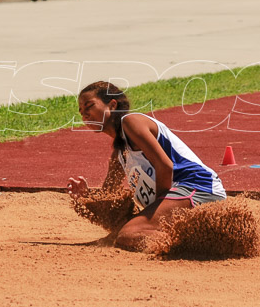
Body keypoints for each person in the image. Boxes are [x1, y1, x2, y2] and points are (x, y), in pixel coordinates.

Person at [67, 81, 227, 251]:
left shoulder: (131, 122)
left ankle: (204, 243)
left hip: (197, 187)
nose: (85, 115)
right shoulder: (119, 152)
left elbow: (165, 166)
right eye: (82, 112)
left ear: (112, 105)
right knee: (124, 233)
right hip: (183, 195)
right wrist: (87, 196)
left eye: (89, 106)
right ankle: (201, 236)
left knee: (129, 235)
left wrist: (158, 209)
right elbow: (109, 196)